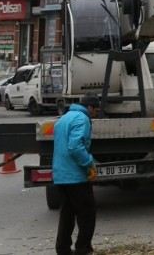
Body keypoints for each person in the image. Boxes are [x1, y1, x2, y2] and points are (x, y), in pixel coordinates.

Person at [53, 93, 100, 255]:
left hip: (60, 176)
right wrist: (89, 164)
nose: (95, 114)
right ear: (90, 107)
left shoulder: (64, 118)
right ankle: (83, 248)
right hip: (75, 176)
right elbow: (75, 147)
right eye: (95, 110)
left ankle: (63, 249)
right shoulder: (82, 119)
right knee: (87, 213)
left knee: (67, 213)